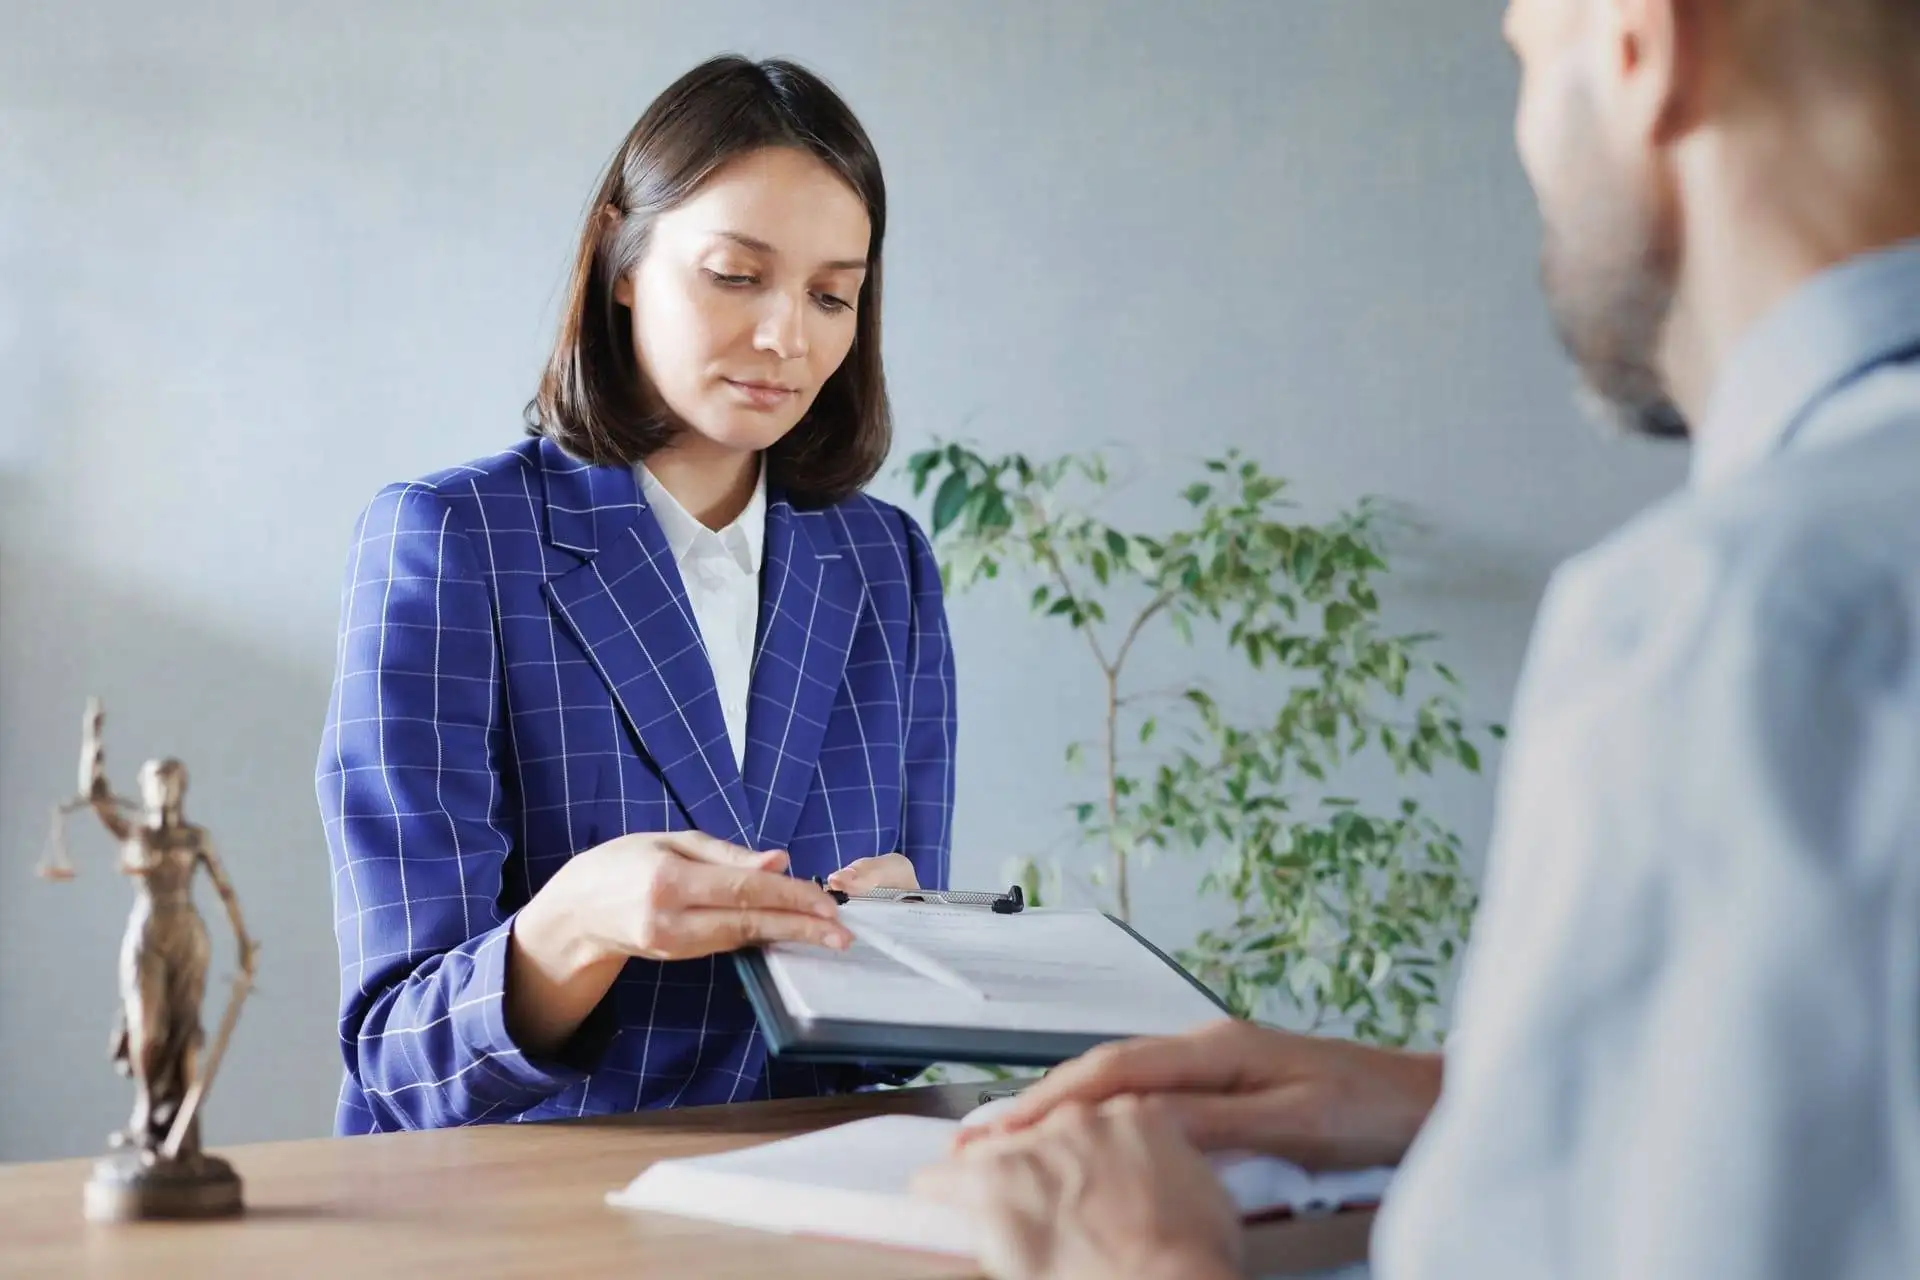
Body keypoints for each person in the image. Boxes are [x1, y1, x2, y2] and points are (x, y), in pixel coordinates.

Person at [917, 1, 1920, 1276]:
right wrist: (1473, 1096)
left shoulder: (1741, 619)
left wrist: (1143, 1255)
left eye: (1525, 57)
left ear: (1637, 47)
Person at [316, 56, 956, 1134]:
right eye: (736, 274)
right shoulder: (456, 540)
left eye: (830, 293)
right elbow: (397, 1056)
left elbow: (888, 1051)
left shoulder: (884, 563)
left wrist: (909, 954)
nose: (787, 338)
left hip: (820, 1195)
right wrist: (577, 927)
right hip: (531, 1209)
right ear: (623, 253)